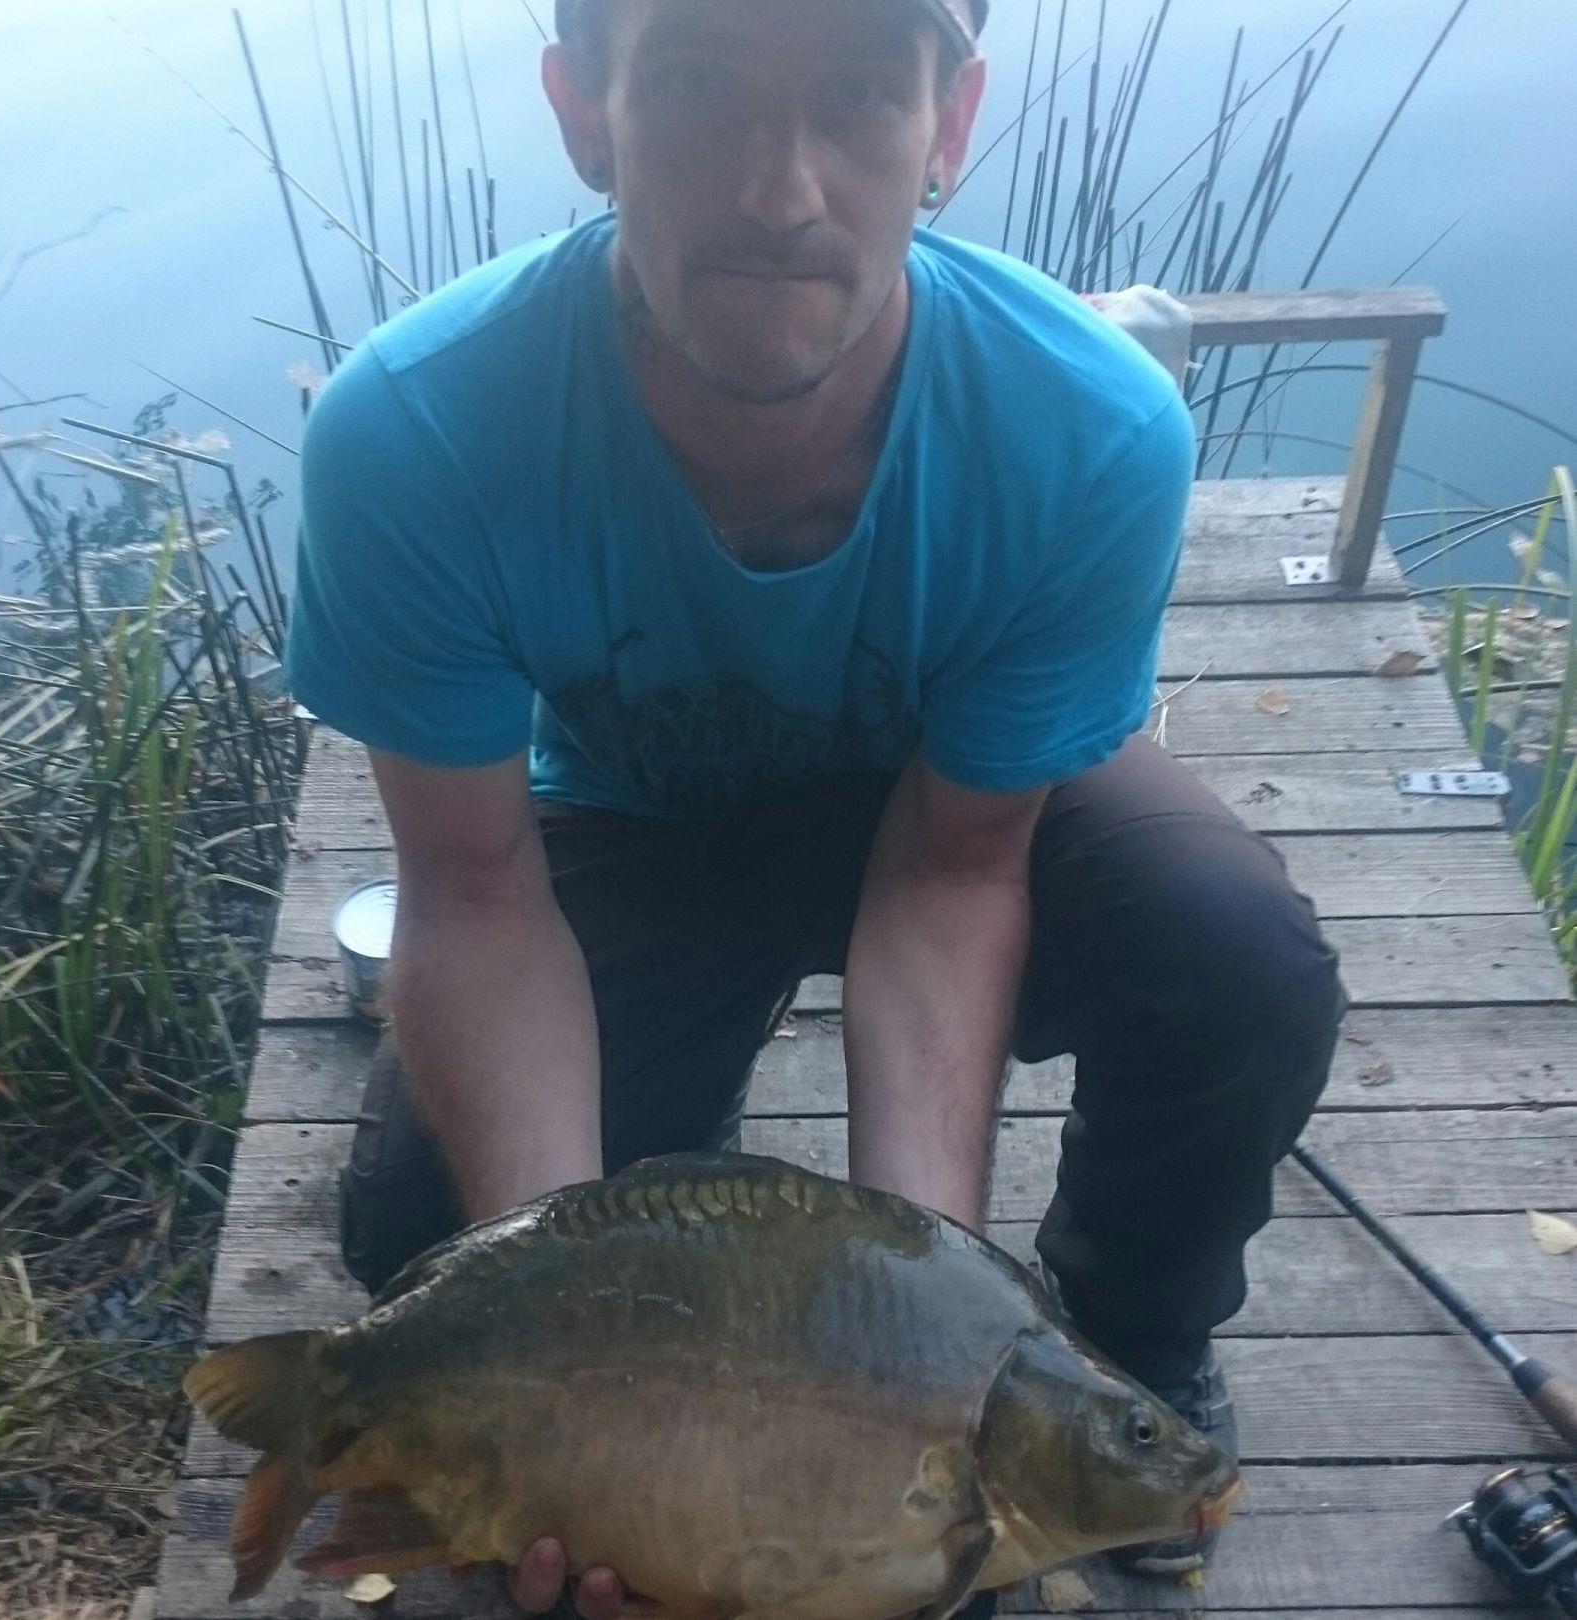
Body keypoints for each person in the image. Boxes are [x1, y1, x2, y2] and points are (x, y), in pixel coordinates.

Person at [283, 0, 1347, 1600]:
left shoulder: (1090, 425)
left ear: (950, 126)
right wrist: (584, 1312)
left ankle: (1117, 1347)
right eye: (701, 88)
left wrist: (935, 1360)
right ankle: (679, 1192)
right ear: (586, 113)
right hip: (639, 818)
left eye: (859, 95)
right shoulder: (414, 424)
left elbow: (958, 872)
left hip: (949, 802)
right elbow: (475, 889)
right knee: (420, 1231)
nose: (782, 192)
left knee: (1238, 955)